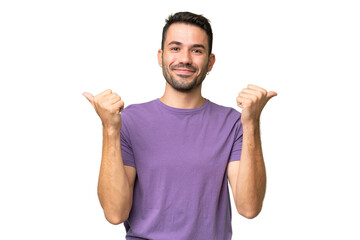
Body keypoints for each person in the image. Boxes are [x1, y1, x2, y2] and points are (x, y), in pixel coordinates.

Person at [83, 11, 277, 240]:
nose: (185, 58)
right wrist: (110, 129)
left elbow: (249, 207)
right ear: (160, 56)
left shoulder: (232, 123)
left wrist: (252, 123)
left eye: (196, 50)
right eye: (175, 48)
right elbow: (115, 213)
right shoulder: (128, 121)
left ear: (210, 62)